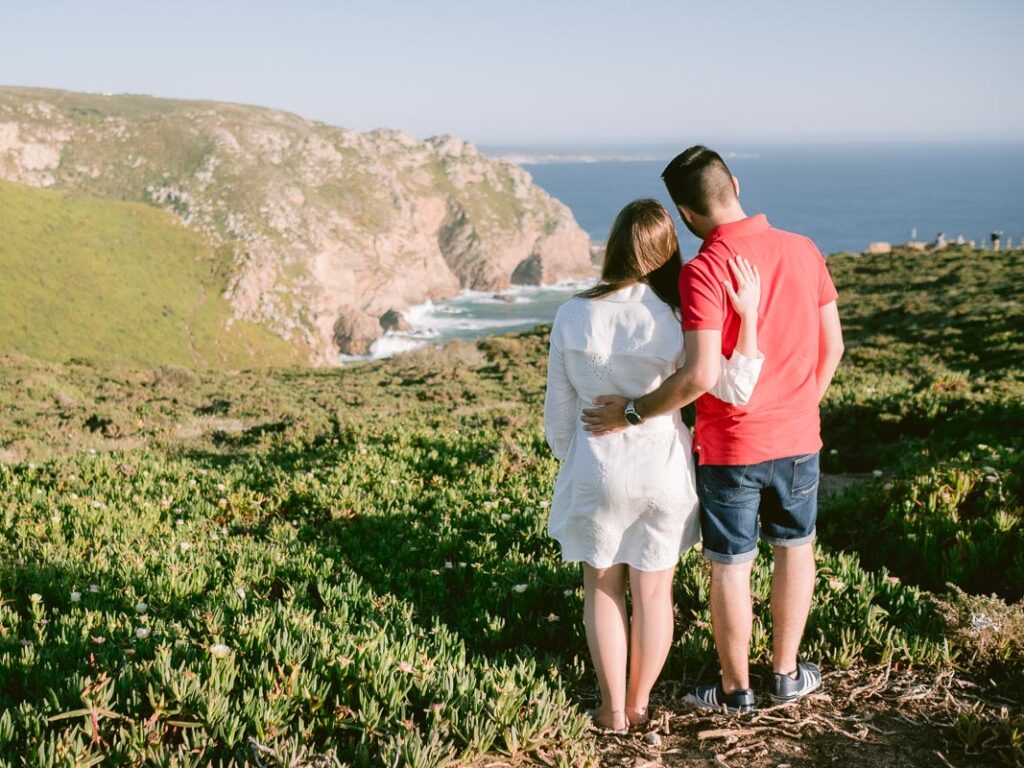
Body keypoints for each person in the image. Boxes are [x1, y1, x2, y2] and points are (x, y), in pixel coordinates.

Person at [581, 146, 844, 714]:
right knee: (796, 550)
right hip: (800, 439)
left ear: (685, 212)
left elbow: (701, 375)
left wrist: (630, 412)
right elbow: (834, 347)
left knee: (732, 563)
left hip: (732, 447)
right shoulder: (804, 250)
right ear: (736, 184)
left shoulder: (705, 270)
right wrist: (800, 406)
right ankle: (786, 674)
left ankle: (735, 689)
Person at [543, 199, 765, 733]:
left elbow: (559, 419)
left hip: (597, 469)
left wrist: (579, 458)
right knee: (653, 594)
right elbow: (735, 386)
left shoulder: (573, 313)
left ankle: (611, 710)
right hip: (663, 470)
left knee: (602, 588)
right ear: (668, 252)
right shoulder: (678, 317)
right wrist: (749, 317)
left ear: (615, 246)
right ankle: (641, 705)